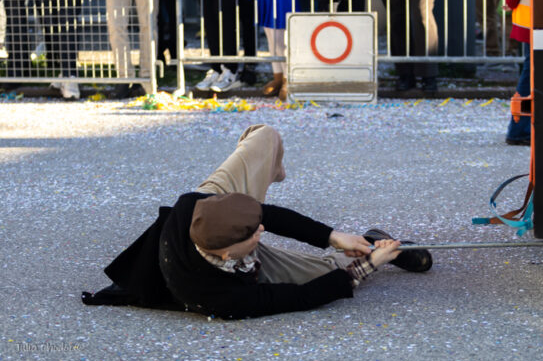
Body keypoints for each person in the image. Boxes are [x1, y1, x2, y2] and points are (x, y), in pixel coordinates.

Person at [81, 124, 433, 319]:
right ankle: (375, 245)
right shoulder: (222, 298)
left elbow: (266, 216)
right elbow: (302, 297)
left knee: (265, 136)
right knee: (330, 276)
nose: (261, 231)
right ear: (227, 254)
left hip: (211, 210)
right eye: (252, 236)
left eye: (254, 223)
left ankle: (270, 172)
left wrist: (332, 234)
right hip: (222, 275)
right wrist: (368, 264)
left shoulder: (193, 204)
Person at [504, 0, 532, 145]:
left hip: (528, 10)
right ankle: (519, 129)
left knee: (530, 71)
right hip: (536, 12)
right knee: (531, 73)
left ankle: (520, 127)